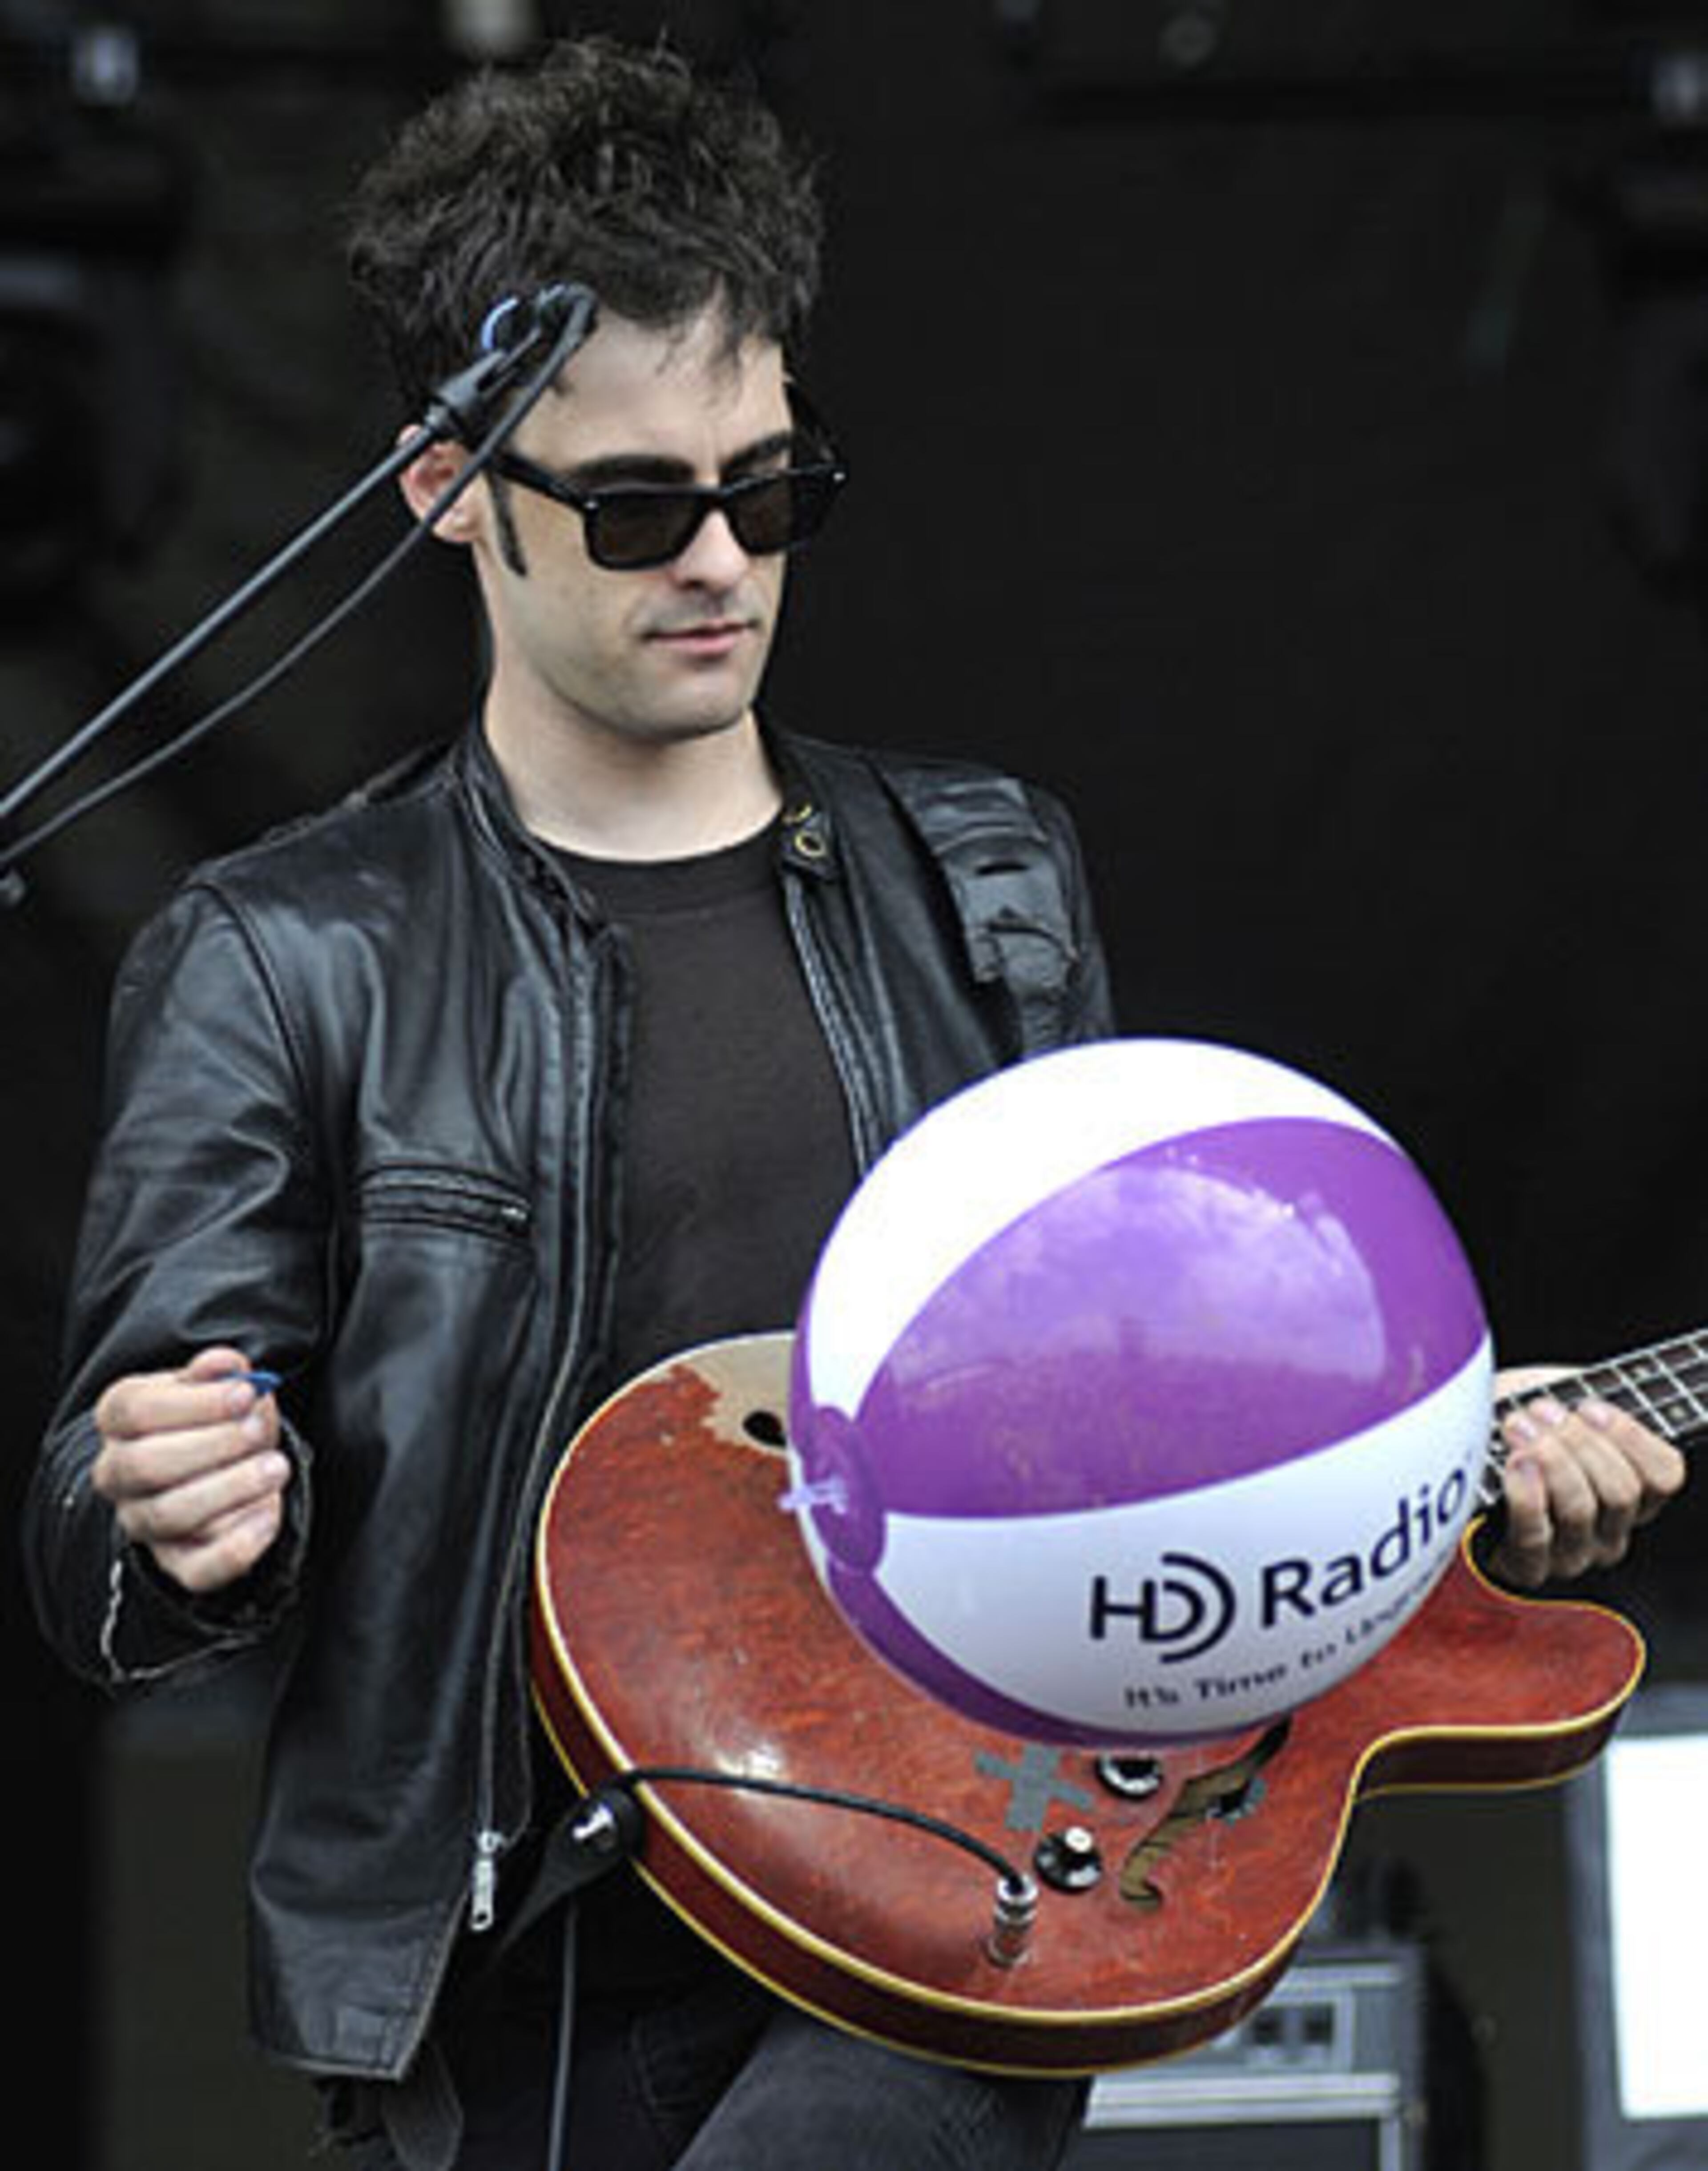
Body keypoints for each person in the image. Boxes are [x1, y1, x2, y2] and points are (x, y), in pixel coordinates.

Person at [21, 32, 1685, 2171]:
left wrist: (1422, 1473)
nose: (718, 556)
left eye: (771, 485)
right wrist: (171, 1515)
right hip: (522, 1993)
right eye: (634, 506)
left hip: (957, 1923)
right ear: (446, 486)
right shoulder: (288, 953)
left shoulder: (986, 881)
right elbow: (101, 1545)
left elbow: (1141, 1413)